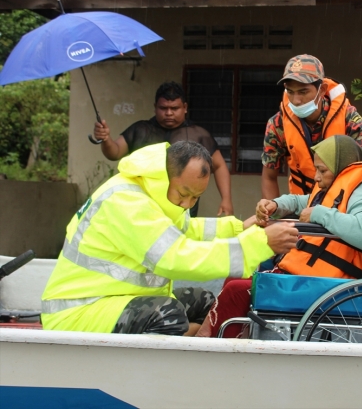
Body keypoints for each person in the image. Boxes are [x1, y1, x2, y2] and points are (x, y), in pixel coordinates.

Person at [41, 141, 298, 336]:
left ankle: (202, 345)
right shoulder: (125, 201)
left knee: (208, 301)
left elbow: (188, 230)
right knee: (168, 314)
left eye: (196, 197)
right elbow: (175, 256)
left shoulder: (154, 193)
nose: (187, 204)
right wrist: (260, 243)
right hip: (79, 311)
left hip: (119, 298)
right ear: (165, 175)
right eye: (183, 193)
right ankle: (192, 356)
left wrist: (241, 228)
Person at [197, 135, 362, 338]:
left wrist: (320, 214)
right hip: (316, 279)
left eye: (321, 170)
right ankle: (231, 342)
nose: (316, 176)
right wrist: (276, 205)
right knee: (236, 277)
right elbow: (302, 201)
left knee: (236, 289)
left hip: (335, 286)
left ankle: (210, 343)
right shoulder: (335, 186)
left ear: (341, 165)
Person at [93, 82, 233, 217]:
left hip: (182, 208)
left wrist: (226, 198)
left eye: (174, 108)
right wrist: (105, 139)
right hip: (143, 207)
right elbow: (114, 152)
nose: (169, 113)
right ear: (155, 107)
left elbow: (219, 166)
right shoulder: (141, 130)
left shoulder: (199, 135)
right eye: (163, 108)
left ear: (185, 107)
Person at [261, 54, 362, 199]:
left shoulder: (349, 119)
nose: (296, 100)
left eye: (303, 92)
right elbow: (269, 177)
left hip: (341, 206)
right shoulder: (278, 124)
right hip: (300, 206)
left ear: (322, 90)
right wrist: (273, 213)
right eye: (290, 92)